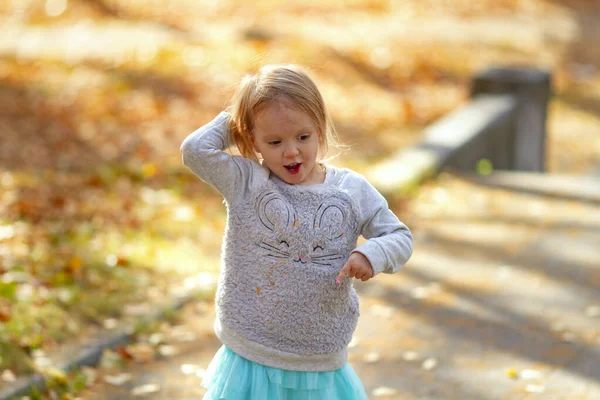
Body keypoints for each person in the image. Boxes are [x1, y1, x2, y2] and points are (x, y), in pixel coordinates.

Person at [180, 64, 413, 399]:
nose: (291, 151)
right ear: (252, 139)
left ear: (320, 128)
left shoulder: (351, 191)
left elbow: (399, 236)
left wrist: (370, 253)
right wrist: (240, 117)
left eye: (303, 137)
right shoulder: (247, 182)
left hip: (317, 357)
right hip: (251, 353)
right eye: (274, 141)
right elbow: (194, 151)